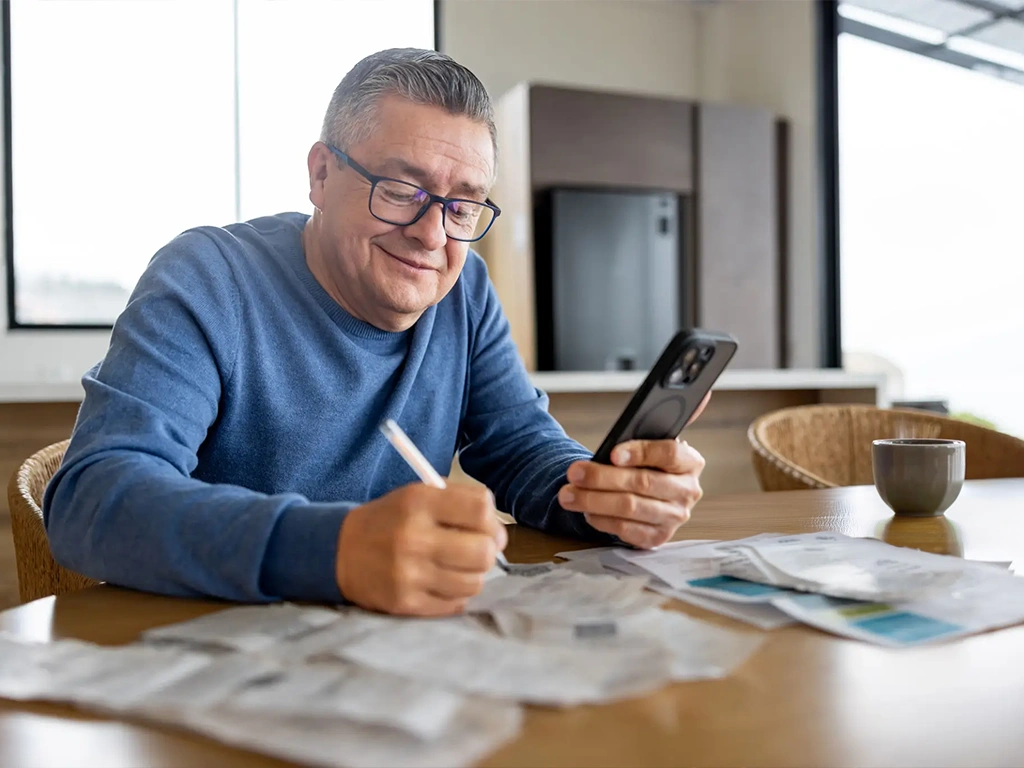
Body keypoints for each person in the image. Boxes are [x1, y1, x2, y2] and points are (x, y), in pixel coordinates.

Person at [44, 48, 707, 617]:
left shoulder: (464, 291)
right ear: (322, 175)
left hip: (393, 659)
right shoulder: (209, 278)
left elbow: (523, 451)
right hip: (207, 662)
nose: (431, 233)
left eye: (462, 204)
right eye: (399, 188)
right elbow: (93, 498)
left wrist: (606, 496)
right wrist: (333, 549)